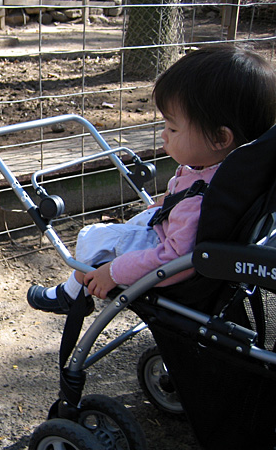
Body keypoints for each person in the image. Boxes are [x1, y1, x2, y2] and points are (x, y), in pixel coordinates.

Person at [28, 44, 276, 315]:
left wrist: (115, 272)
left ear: (220, 138)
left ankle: (71, 293)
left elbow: (175, 258)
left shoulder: (201, 203)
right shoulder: (228, 174)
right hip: (170, 229)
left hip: (167, 258)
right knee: (128, 225)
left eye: (172, 127)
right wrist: (166, 204)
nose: (164, 135)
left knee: (93, 237)